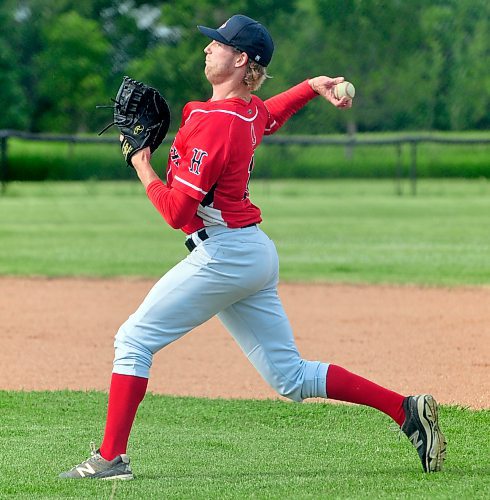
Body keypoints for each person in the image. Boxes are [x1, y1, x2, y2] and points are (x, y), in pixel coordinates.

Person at [60, 14, 446, 480]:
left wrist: (143, 166)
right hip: (250, 253)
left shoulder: (217, 122)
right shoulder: (243, 111)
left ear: (241, 60)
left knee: (133, 340)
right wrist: (310, 85)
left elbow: (177, 214)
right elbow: (271, 113)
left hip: (224, 255)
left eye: (218, 44)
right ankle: (405, 410)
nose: (207, 49)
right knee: (291, 377)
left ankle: (110, 459)